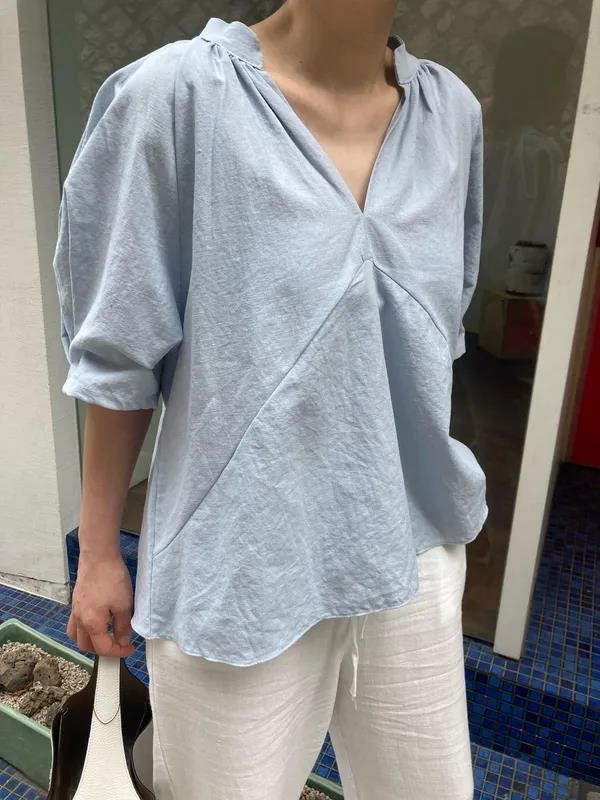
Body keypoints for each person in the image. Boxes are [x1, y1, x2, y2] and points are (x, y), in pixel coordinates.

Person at [51, 1, 488, 798]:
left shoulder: (450, 115)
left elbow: (434, 335)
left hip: (411, 539)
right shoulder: (176, 98)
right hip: (239, 561)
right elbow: (119, 352)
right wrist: (102, 553)